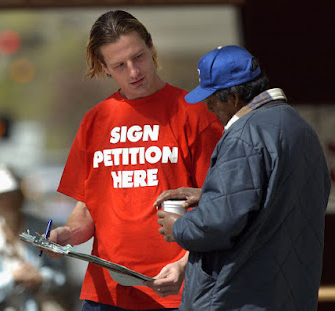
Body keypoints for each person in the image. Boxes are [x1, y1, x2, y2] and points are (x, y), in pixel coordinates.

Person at [45, 10, 223, 311]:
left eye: (138, 57)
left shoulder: (194, 113)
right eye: (119, 65)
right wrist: (66, 235)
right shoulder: (95, 121)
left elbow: (218, 204)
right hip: (106, 293)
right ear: (104, 67)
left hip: (176, 291)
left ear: (151, 48)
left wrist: (183, 265)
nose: (133, 72)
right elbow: (88, 208)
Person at [153, 45, 332, 310]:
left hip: (238, 296)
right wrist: (209, 194)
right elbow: (278, 195)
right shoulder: (297, 126)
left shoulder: (244, 135)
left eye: (212, 97)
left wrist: (178, 226)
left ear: (234, 97)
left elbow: (220, 223)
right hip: (289, 293)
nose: (208, 105)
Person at [0, 164, 68, 311]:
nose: (8, 202)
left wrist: (41, 278)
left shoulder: (43, 230)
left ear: (21, 196)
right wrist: (12, 278)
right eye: (1, 198)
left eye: (12, 195)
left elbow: (62, 273)